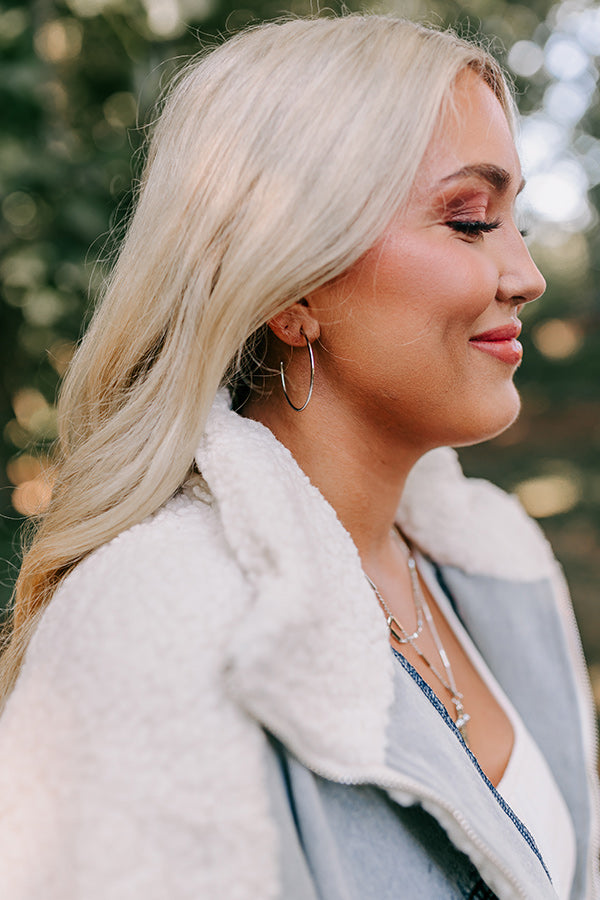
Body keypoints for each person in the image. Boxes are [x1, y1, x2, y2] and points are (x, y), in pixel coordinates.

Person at [0, 13, 597, 900]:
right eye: (470, 220)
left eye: (517, 220)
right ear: (292, 288)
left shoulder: (498, 567)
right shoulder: (156, 624)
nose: (525, 273)